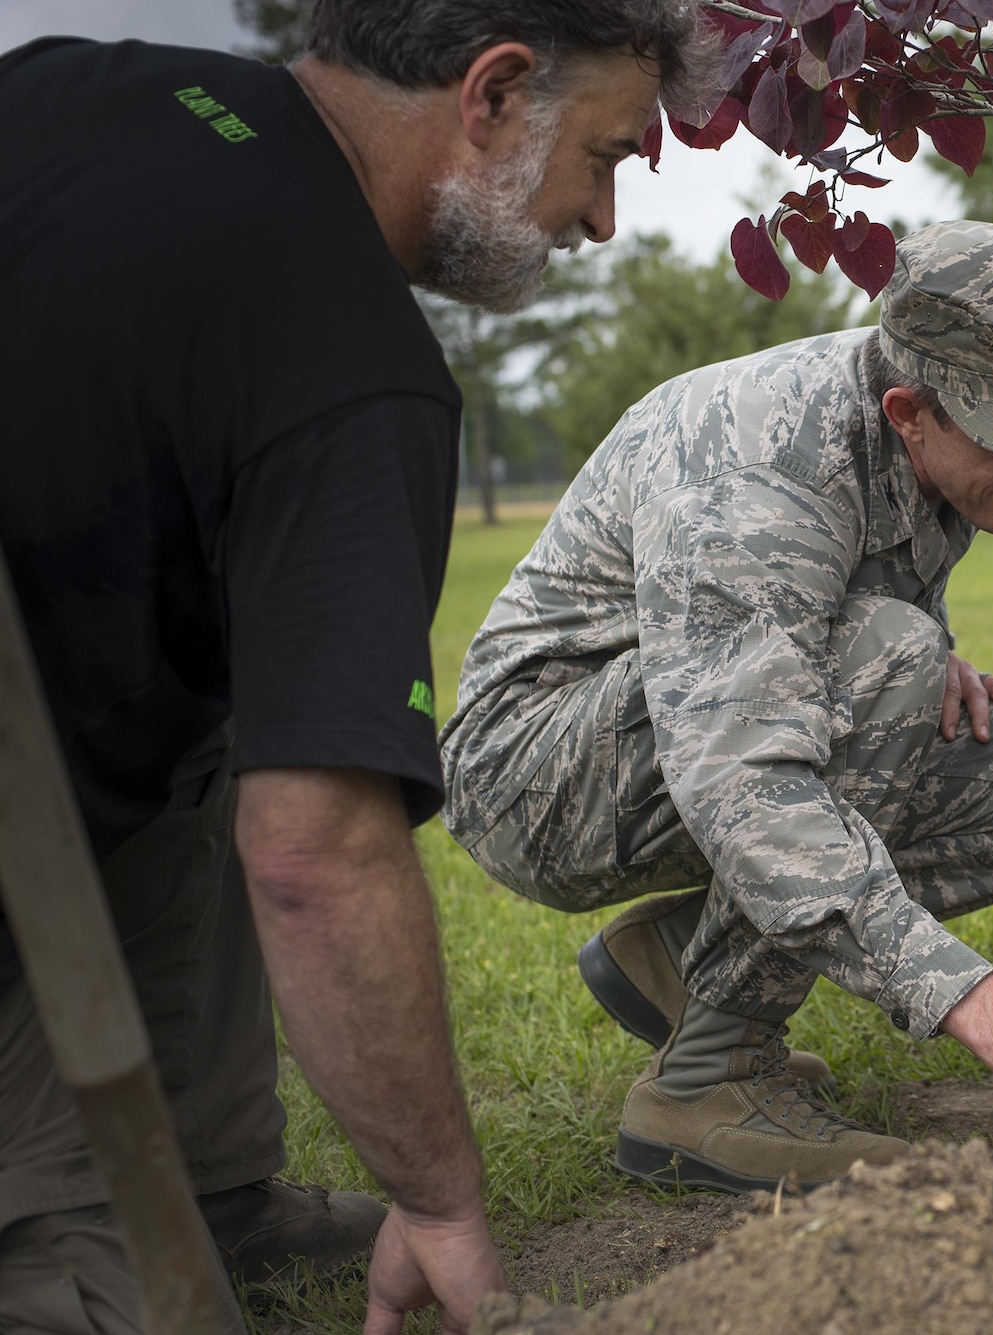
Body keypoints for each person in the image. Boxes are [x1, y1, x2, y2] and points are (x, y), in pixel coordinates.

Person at [0, 2, 705, 1329]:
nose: (601, 220)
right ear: (490, 96)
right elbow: (314, 850)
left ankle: (211, 1186)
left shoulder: (74, 82)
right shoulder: (347, 363)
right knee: (114, 1299)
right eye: (608, 157)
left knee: (228, 700)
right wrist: (439, 1200)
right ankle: (66, 1232)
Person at [437, 220, 993, 1197]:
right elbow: (741, 779)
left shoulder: (919, 445)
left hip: (687, 727)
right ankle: (707, 1085)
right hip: (536, 777)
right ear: (907, 408)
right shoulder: (760, 464)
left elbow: (834, 616)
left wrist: (926, 664)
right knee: (889, 655)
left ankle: (679, 958)